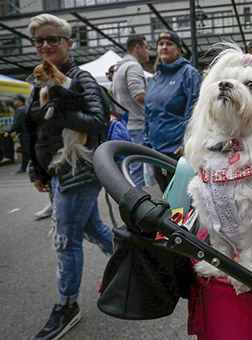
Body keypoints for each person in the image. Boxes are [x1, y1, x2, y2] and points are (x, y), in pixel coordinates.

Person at [26, 14, 114, 340]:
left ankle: (67, 305)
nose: (46, 46)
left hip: (79, 170)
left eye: (53, 40)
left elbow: (97, 121)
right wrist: (36, 169)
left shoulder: (81, 78)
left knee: (65, 241)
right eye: (40, 41)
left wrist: (59, 106)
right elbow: (34, 128)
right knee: (92, 228)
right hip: (56, 170)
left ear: (68, 43)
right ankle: (126, 259)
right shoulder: (38, 82)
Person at [145, 30, 201, 192]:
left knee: (182, 202)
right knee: (167, 200)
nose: (164, 47)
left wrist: (186, 141)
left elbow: (195, 110)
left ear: (179, 49)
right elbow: (149, 113)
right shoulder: (155, 78)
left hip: (178, 151)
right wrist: (147, 142)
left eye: (169, 44)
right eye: (161, 44)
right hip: (156, 150)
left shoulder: (188, 73)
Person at [112, 34, 149, 187]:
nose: (149, 51)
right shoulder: (133, 66)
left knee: (129, 167)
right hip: (136, 124)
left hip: (126, 124)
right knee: (136, 168)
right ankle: (136, 205)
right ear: (137, 48)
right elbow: (139, 95)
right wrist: (159, 101)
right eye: (146, 47)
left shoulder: (119, 67)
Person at [4, 94, 29, 173]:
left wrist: (8, 131)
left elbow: (17, 123)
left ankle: (24, 168)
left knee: (26, 151)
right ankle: (23, 168)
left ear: (19, 101)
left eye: (15, 100)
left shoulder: (20, 110)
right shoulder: (26, 108)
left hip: (25, 133)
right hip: (29, 132)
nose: (14, 102)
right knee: (27, 151)